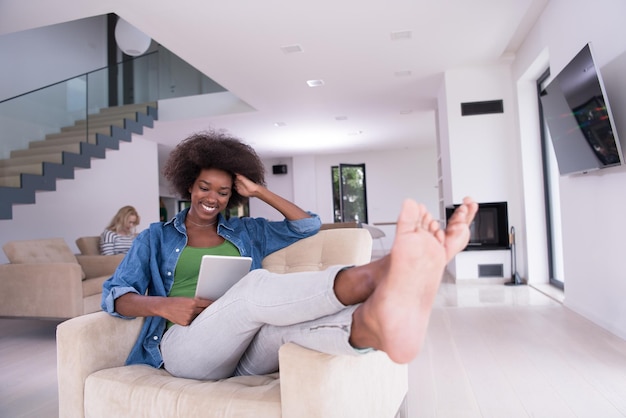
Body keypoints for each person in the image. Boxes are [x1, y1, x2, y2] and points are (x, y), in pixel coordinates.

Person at [102, 129, 478, 381]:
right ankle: (380, 271)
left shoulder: (248, 231)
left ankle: (373, 325)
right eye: (204, 188)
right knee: (254, 287)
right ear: (189, 186)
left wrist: (260, 192)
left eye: (222, 192)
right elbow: (115, 294)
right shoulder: (155, 237)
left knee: (290, 330)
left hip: (244, 354)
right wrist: (165, 307)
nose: (212, 198)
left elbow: (307, 225)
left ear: (231, 196)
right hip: (185, 349)